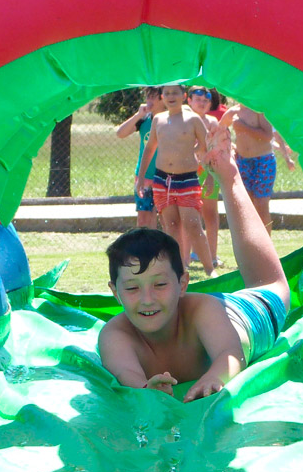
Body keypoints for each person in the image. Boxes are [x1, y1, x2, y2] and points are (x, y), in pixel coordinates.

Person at [100, 127, 290, 402]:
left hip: (246, 312)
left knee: (272, 285)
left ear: (183, 284)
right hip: (213, 316)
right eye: (132, 288)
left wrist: (215, 377)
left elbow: (230, 354)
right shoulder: (115, 334)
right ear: (115, 292)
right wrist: (144, 389)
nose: (147, 299)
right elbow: (125, 373)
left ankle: (229, 175)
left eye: (160, 284)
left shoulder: (202, 310)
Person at [135, 85, 217, 276]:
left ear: (184, 96)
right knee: (171, 226)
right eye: (167, 93)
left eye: (175, 93)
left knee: (193, 225)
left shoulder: (193, 119)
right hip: (162, 180)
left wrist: (210, 176)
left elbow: (207, 148)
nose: (171, 96)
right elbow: (149, 149)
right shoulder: (159, 119)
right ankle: (179, 269)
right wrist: (141, 178)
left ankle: (209, 269)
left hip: (187, 180)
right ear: (162, 97)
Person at [218, 103, 277, 231]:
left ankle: (266, 241)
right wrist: (230, 146)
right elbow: (219, 130)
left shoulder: (258, 109)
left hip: (263, 161)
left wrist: (244, 127)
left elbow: (268, 136)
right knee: (246, 205)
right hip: (242, 161)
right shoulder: (233, 112)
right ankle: (251, 240)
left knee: (261, 205)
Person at [115, 87, 165, 228]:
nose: (149, 101)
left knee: (166, 219)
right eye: (147, 97)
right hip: (145, 176)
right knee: (144, 220)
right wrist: (138, 115)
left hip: (165, 176)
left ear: (163, 99)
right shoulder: (144, 119)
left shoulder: (170, 120)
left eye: (153, 97)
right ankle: (145, 243)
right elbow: (120, 133)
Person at [186, 85, 223, 268]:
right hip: (187, 172)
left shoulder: (212, 123)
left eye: (205, 101)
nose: (202, 103)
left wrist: (210, 175)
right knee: (189, 214)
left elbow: (215, 150)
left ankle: (212, 255)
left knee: (210, 213)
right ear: (189, 101)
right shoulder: (183, 121)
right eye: (198, 100)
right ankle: (188, 255)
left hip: (207, 172)